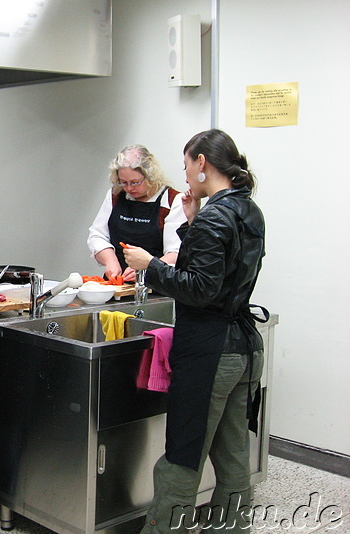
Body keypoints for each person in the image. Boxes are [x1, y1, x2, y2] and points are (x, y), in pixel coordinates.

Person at [123, 130, 266, 533]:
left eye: (187, 164)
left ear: (202, 162)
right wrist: (192, 221)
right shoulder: (246, 210)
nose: (185, 174)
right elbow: (221, 269)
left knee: (182, 459)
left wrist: (149, 264)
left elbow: (199, 288)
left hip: (210, 354)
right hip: (243, 350)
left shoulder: (217, 216)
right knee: (233, 454)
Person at [87, 145, 185, 282]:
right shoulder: (115, 195)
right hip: (118, 282)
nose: (129, 188)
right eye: (123, 182)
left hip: (155, 284)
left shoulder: (172, 201)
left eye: (135, 182)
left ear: (150, 176)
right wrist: (110, 261)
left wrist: (146, 269)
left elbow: (175, 253)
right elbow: (97, 235)